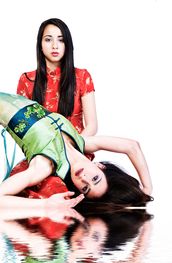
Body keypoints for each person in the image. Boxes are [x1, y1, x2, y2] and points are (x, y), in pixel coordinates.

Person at [0, 92, 153, 208]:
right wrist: (147, 188)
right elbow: (132, 146)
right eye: (95, 179)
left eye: (85, 188)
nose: (84, 179)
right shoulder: (82, 143)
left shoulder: (45, 165)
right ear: (100, 166)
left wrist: (46, 205)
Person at [17, 18, 98, 138]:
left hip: (76, 147)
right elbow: (22, 127)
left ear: (68, 45)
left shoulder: (82, 76)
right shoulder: (27, 80)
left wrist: (71, 147)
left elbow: (92, 126)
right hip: (43, 150)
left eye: (61, 40)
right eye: (48, 40)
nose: (55, 46)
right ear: (40, 45)